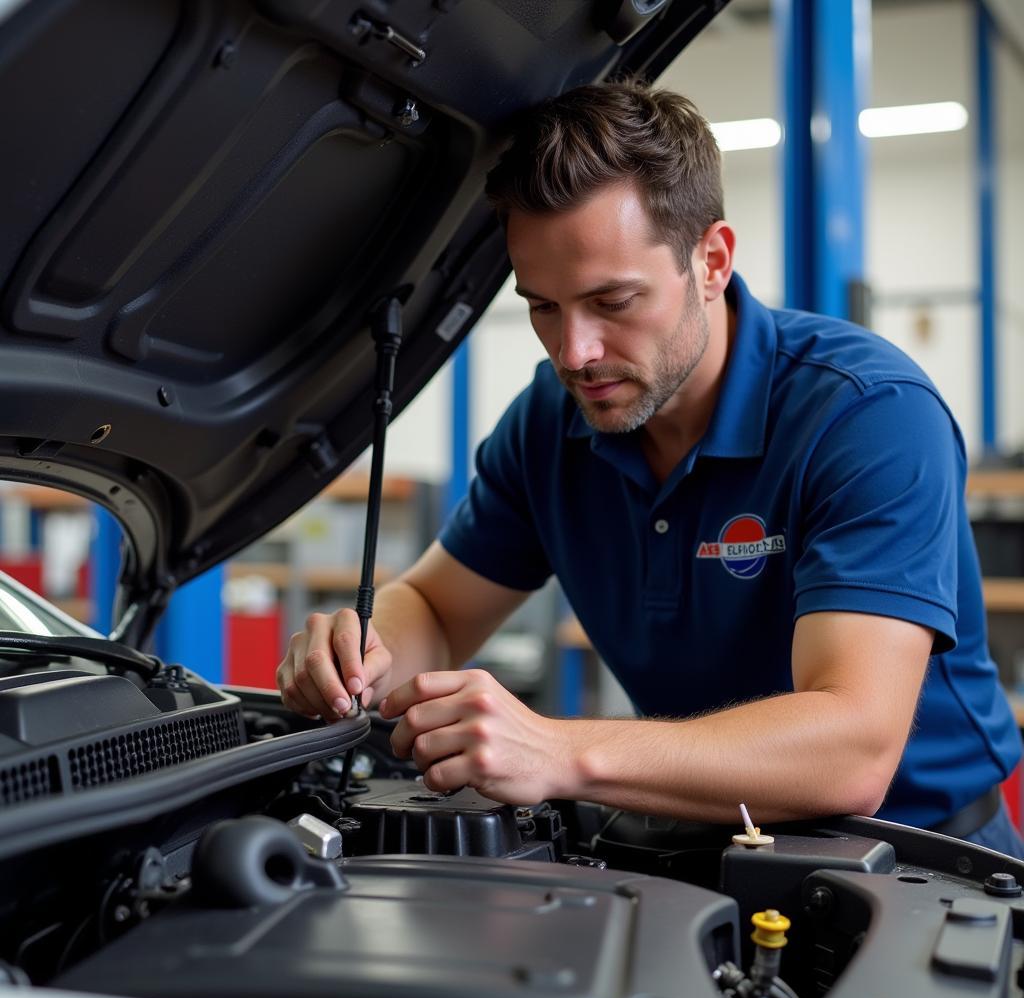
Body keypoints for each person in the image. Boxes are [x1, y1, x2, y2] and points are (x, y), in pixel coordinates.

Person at [276, 80, 1024, 857]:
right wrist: (364, 652)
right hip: (711, 843)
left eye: (613, 301)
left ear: (712, 261)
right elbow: (435, 605)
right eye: (543, 307)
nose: (575, 353)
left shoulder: (868, 415)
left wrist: (561, 751)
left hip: (922, 860)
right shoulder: (549, 422)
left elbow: (852, 748)